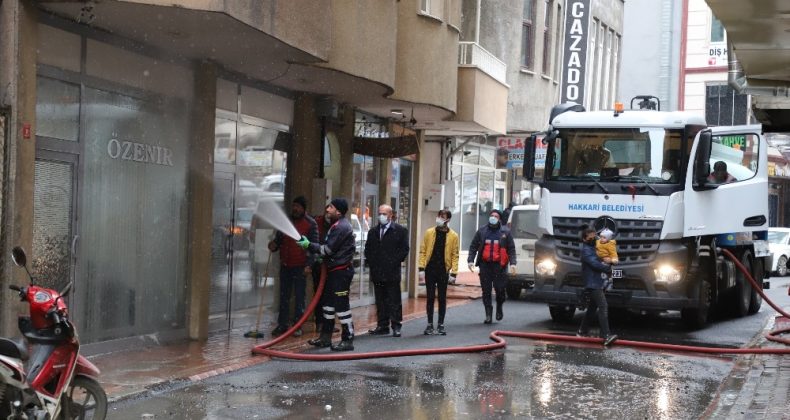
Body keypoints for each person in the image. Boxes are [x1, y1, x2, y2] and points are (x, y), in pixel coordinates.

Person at [298, 198, 357, 351]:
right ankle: (325, 338)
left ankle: (348, 339)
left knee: (342, 306)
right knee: (328, 305)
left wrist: (309, 245)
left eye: (330, 207)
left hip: (341, 272)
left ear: (338, 211)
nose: (327, 210)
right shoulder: (336, 225)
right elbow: (328, 251)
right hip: (334, 270)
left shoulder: (341, 227)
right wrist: (318, 255)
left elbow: (328, 250)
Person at [267, 196, 318, 337]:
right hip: (286, 265)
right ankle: (282, 325)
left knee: (300, 297)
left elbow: (315, 247)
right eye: (294, 206)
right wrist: (274, 245)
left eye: (298, 206)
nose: (295, 209)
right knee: (284, 297)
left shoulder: (310, 224)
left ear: (304, 208)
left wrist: (309, 265)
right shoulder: (286, 221)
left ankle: (297, 326)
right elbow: (278, 240)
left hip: (301, 266)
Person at [364, 204, 410, 337]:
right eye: (379, 213)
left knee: (394, 299)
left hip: (392, 272)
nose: (381, 216)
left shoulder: (400, 231)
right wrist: (373, 262)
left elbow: (404, 249)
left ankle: (396, 325)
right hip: (377, 272)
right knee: (380, 300)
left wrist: (393, 262)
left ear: (390, 215)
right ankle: (382, 325)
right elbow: (368, 249)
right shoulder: (373, 231)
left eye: (384, 213)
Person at [467, 209, 517, 324]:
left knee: (500, 290)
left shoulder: (506, 232)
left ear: (499, 219)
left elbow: (511, 249)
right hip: (485, 265)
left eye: (496, 216)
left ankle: (499, 305)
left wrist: (513, 263)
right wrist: (470, 260)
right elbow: (473, 246)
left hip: (499, 266)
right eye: (491, 215)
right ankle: (488, 314)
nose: (493, 217)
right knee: (486, 291)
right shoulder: (482, 231)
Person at [418, 209, 459, 335]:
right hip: (430, 269)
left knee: (442, 298)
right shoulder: (429, 232)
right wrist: (421, 268)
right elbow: (423, 250)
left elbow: (455, 255)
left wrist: (454, 273)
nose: (440, 218)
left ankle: (440, 324)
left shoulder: (453, 236)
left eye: (443, 217)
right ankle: (429, 324)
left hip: (443, 270)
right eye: (439, 216)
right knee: (430, 297)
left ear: (448, 219)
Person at [577, 225, 618, 346]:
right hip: (592, 283)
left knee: (592, 308)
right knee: (603, 306)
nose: (593, 239)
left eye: (594, 236)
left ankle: (582, 331)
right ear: (584, 239)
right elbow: (595, 264)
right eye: (590, 238)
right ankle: (606, 336)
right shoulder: (586, 250)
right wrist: (608, 268)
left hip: (597, 281)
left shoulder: (594, 248)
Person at [310, 204, 333, 332]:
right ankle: (320, 322)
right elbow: (314, 241)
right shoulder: (317, 222)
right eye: (328, 211)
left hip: (331, 265)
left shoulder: (337, 225)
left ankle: (328, 323)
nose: (329, 213)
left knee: (329, 295)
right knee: (319, 294)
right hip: (319, 265)